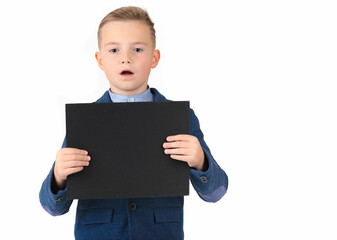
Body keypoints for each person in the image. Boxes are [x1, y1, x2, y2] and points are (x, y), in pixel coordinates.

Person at [39, 6, 228, 240]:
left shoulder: (180, 117)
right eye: (114, 50)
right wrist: (59, 175)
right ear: (99, 60)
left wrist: (200, 161)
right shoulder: (85, 120)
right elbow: (52, 207)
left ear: (154, 58)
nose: (125, 58)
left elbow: (216, 192)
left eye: (137, 49)